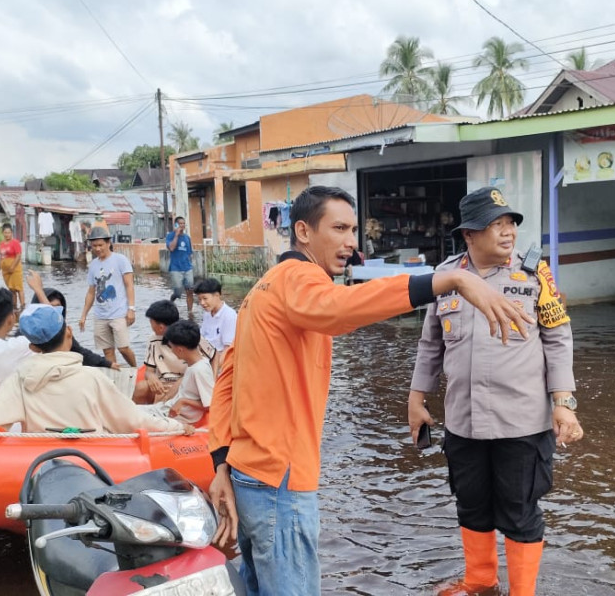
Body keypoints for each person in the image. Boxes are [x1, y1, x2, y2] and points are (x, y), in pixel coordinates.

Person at [206, 186, 533, 595]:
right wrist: (447, 280)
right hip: (280, 480)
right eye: (339, 228)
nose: (351, 242)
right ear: (304, 232)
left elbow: (226, 381)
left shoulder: (263, 288)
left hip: (248, 474)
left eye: (354, 229)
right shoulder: (299, 278)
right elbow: (341, 309)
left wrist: (221, 460)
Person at [407, 187, 584, 596]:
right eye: (496, 225)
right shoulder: (446, 277)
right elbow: (430, 344)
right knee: (471, 505)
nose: (507, 233)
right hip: (463, 422)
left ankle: (522, 593)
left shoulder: (534, 274)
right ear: (469, 234)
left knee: (520, 510)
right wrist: (417, 399)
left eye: (510, 224)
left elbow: (558, 339)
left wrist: (563, 403)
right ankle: (480, 582)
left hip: (521, 423)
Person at [0, 304, 195, 435]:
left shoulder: (20, 380)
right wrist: (177, 427)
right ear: (69, 332)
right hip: (91, 462)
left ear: (33, 348)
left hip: (40, 464)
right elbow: (132, 420)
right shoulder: (91, 378)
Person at [25, 270, 117, 370]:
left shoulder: (62, 332)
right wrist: (39, 291)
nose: (55, 313)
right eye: (51, 308)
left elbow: (81, 352)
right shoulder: (27, 334)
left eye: (58, 308)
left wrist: (107, 363)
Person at [132, 299, 214, 404]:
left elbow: (213, 356)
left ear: (161, 327)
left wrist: (213, 379)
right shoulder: (154, 340)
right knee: (141, 387)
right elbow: (149, 370)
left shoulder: (190, 336)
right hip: (163, 384)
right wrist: (152, 378)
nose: (151, 326)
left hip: (185, 384)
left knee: (167, 397)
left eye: (151, 322)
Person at [79, 226, 137, 367]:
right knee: (108, 351)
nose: (98, 249)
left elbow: (129, 285)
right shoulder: (93, 265)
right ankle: (114, 379)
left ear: (108, 243)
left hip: (118, 313)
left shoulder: (120, 260)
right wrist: (84, 315)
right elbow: (91, 292)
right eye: (94, 246)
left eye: (100, 245)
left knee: (123, 348)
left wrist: (131, 308)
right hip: (100, 315)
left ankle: (136, 370)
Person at [155, 319, 214, 425]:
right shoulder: (194, 365)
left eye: (171, 347)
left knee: (128, 416)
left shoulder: (200, 370)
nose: (171, 351)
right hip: (165, 410)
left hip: (177, 419)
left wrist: (183, 401)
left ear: (180, 350)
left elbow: (211, 404)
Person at [195, 277, 237, 376]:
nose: (202, 303)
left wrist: (211, 370)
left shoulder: (229, 316)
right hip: (206, 359)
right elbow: (202, 339)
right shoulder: (207, 313)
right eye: (199, 299)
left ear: (217, 295)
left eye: (205, 298)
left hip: (220, 364)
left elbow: (228, 350)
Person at [166, 216, 195, 315]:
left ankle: (190, 312)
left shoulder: (187, 238)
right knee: (178, 292)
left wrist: (190, 264)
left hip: (187, 268)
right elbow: (171, 248)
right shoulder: (170, 236)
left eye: (183, 223)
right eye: (180, 223)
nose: (182, 225)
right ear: (176, 225)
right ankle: (172, 300)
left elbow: (190, 252)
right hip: (176, 269)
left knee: (190, 291)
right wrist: (176, 235)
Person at [0, 224, 25, 309]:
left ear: (12, 233)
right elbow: (1, 258)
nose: (7, 234)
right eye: (5, 232)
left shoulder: (15, 242)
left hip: (15, 269)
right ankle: (14, 307)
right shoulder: (1, 244)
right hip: (5, 270)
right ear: (3, 233)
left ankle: (23, 306)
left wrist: (13, 266)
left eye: (9, 232)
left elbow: (18, 255)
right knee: (11, 289)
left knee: (18, 287)